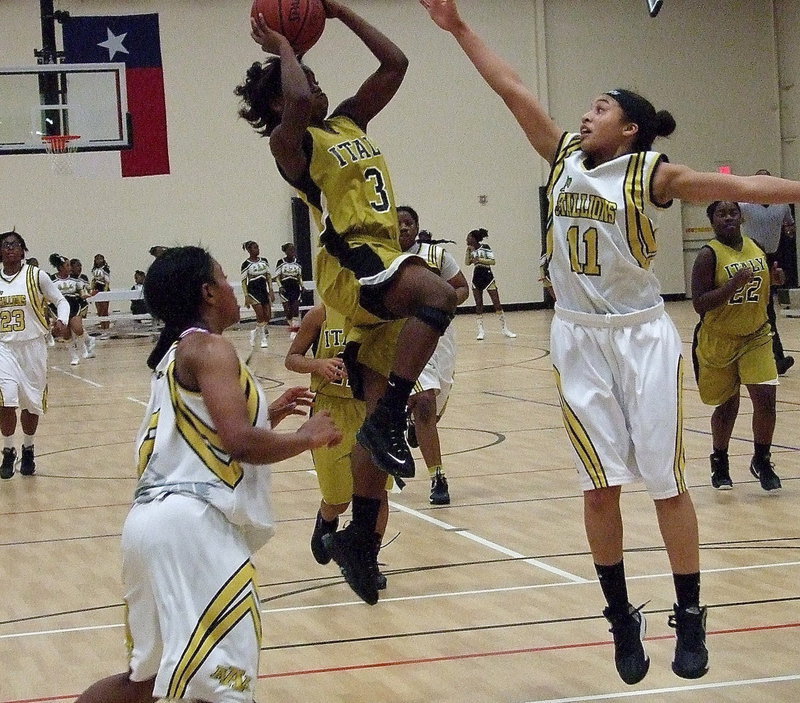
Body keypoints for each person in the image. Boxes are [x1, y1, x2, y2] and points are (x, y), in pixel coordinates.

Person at [424, 0, 800, 684]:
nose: (585, 113)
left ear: (628, 129)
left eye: (600, 107)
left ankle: (689, 613)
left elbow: (744, 183)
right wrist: (458, 28)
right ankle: (621, 615)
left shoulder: (651, 174)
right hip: (578, 338)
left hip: (641, 337)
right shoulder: (563, 152)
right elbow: (511, 87)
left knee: (664, 483)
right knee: (600, 490)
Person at [235, 1, 458, 605]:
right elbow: (302, 101)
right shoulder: (291, 143)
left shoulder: (349, 123)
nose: (314, 85)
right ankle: (388, 420)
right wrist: (286, 45)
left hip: (382, 264)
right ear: (280, 101)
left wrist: (338, 12)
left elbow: (396, 61)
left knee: (376, 427)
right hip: (353, 266)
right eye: (301, 82)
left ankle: (358, 536)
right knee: (437, 294)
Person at [74, 246, 341, 703]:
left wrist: (268, 415)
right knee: (226, 689)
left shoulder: (177, 352)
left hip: (149, 525)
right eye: (223, 278)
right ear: (207, 292)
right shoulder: (210, 346)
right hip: (193, 529)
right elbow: (239, 443)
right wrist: (308, 437)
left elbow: (208, 437)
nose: (232, 287)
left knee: (141, 683)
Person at [285, 303, 391, 589]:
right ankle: (326, 518)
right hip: (330, 409)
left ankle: (368, 560)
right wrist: (317, 364)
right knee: (339, 498)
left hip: (369, 409)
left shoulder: (380, 311)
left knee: (376, 492)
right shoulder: (319, 315)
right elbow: (292, 358)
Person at [692, 201, 784, 492]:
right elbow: (699, 304)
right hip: (719, 338)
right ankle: (720, 460)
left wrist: (777, 281)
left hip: (756, 335)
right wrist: (732, 286)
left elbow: (763, 287)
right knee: (728, 405)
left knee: (766, 399)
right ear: (712, 221)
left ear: (741, 217)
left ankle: (762, 459)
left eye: (733, 212)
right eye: (722, 213)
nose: (729, 217)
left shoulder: (755, 245)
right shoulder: (709, 255)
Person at [397, 205, 469, 504]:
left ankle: (416, 425)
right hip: (405, 337)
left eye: (408, 223)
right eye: (397, 223)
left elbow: (461, 287)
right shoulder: (382, 259)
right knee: (424, 400)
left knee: (435, 404)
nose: (402, 228)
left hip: (441, 336)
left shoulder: (437, 256)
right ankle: (438, 477)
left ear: (417, 226)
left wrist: (444, 306)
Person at [0, 231, 69, 479]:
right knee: (5, 400)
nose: (9, 249)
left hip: (33, 346)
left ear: (23, 250)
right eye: (5, 245)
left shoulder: (36, 276)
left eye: (14, 245)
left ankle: (28, 447)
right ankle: (8, 450)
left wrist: (61, 320)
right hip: (3, 348)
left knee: (31, 403)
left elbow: (61, 301)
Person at [739, 172, 796, 375]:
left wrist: (788, 233)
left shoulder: (782, 205)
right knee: (755, 307)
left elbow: (789, 226)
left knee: (767, 308)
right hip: (749, 258)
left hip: (771, 256)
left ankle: (775, 357)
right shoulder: (743, 205)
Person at [465, 228, 516, 340]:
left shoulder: (486, 247)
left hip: (487, 276)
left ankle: (505, 329)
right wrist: (469, 252)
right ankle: (481, 331)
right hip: (476, 277)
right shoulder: (469, 249)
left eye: (468, 237)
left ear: (474, 238)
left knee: (496, 303)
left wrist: (480, 260)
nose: (467, 239)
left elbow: (492, 261)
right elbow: (467, 263)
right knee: (479, 305)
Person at [50, 254, 95, 366]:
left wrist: (89, 294)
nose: (70, 267)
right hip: (59, 307)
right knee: (66, 333)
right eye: (67, 265)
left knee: (78, 328)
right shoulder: (52, 280)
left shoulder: (75, 280)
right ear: (60, 267)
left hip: (74, 305)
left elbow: (82, 293)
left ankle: (86, 344)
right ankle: (74, 356)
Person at [241, 240, 275, 348]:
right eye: (255, 248)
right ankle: (263, 339)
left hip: (263, 290)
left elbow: (268, 276)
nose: (257, 250)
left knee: (268, 316)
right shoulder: (246, 264)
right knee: (260, 315)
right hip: (253, 291)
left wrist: (271, 289)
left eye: (258, 247)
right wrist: (246, 296)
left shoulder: (264, 261)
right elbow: (243, 281)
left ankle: (255, 332)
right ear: (249, 250)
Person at [274, 242, 304, 339]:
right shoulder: (281, 262)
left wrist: (302, 285)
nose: (292, 252)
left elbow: (299, 276)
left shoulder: (297, 262)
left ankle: (294, 331)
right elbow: (277, 277)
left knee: (295, 309)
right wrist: (280, 286)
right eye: (290, 250)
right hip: (285, 288)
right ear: (285, 251)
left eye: (293, 250)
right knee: (288, 311)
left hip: (295, 287)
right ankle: (292, 326)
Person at [91, 254, 112, 336]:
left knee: (104, 310)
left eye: (100, 259)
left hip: (103, 288)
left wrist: (105, 291)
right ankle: (102, 328)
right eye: (97, 259)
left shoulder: (105, 269)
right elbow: (94, 279)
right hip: (96, 289)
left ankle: (106, 329)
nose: (99, 261)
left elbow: (107, 281)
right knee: (99, 310)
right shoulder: (95, 269)